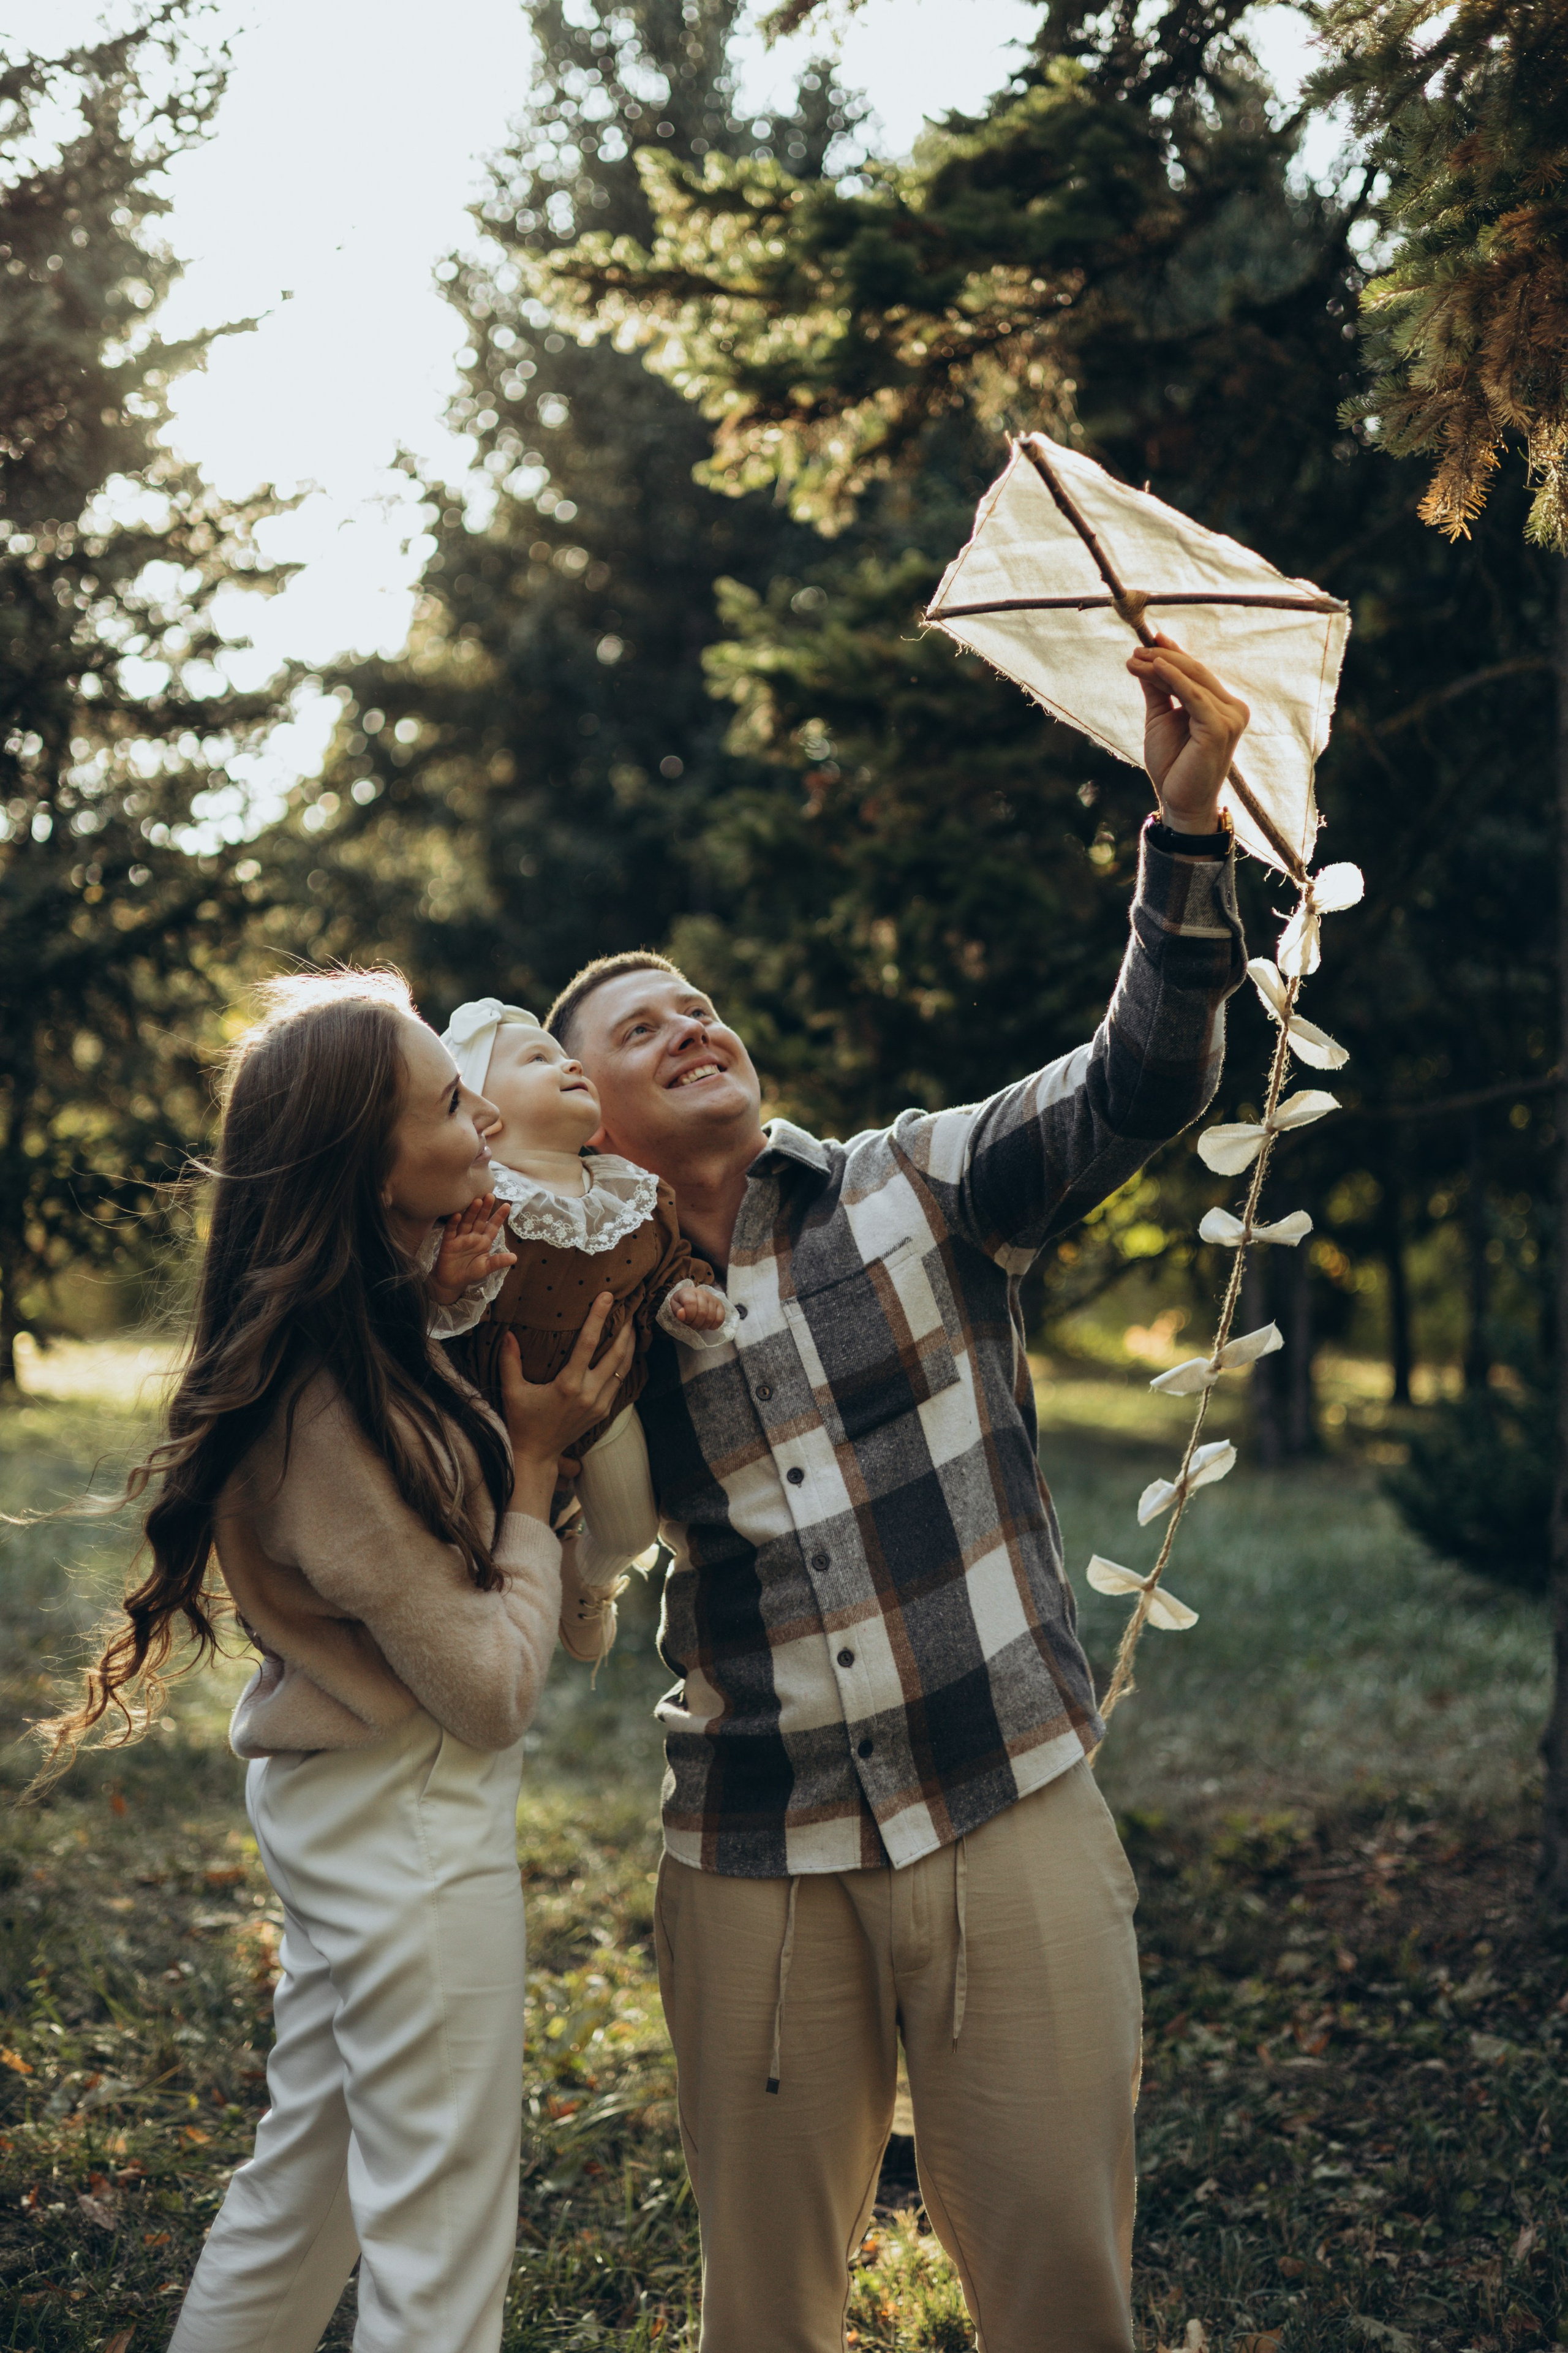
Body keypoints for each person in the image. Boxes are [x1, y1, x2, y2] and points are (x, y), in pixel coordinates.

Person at [541, 640, 1253, 2353]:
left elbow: (1136, 1084)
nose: (695, 1025)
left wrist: (1182, 832)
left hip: (1004, 1799)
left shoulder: (916, 1183)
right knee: (767, 2315)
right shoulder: (574, 1314)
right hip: (751, 1852)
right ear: (594, 1121)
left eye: (699, 1006)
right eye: (645, 1032)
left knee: (1063, 2291)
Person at [37, 969, 635, 2353]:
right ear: (366, 1168)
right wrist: (536, 1477)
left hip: (348, 1816)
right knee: (440, 2249)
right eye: (445, 1099)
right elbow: (486, 1692)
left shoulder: (343, 1342)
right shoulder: (332, 1418)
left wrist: (451, 1293)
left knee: (302, 2190)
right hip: (412, 1826)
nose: (483, 1108)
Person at [434, 997, 735, 1661]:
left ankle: (586, 1578)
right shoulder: (474, 1196)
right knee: (465, 1543)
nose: (568, 1061)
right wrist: (449, 1277)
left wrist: (691, 1297)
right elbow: (423, 1306)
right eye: (538, 1057)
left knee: (631, 1528)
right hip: (478, 1416)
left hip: (606, 1401)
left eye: (564, 1054)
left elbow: (662, 1270)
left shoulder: (633, 1194)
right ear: (483, 1107)